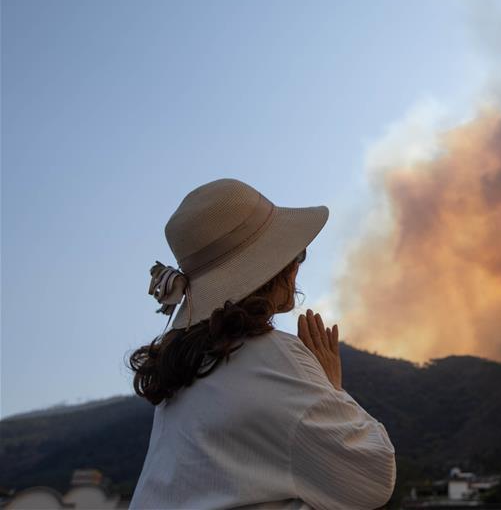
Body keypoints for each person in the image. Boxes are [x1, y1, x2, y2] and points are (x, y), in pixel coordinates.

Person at [128, 178, 395, 510]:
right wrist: (332, 388)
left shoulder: (180, 373)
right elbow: (372, 479)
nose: (298, 265)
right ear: (276, 269)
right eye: (297, 253)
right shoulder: (274, 356)